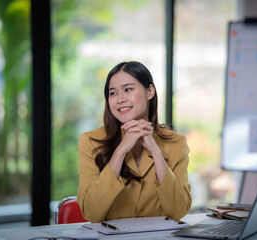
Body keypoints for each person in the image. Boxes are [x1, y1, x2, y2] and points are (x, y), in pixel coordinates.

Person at [77, 61, 192, 223]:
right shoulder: (90, 141)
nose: (120, 99)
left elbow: (178, 211)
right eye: (113, 93)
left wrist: (157, 153)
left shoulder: (176, 143)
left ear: (150, 91)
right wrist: (120, 152)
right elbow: (91, 213)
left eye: (128, 89)